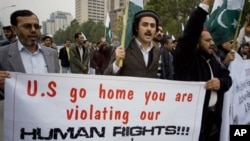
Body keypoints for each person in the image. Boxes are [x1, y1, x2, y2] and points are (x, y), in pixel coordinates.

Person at [173, 0, 232, 141]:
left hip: (213, 122)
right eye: (207, 40)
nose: (212, 43)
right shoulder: (186, 60)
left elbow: (227, 77)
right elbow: (188, 36)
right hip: (193, 122)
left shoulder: (214, 60)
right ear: (197, 43)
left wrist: (221, 83)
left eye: (212, 40)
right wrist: (204, 6)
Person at [0, 9, 60, 139]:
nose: (33, 30)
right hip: (18, 125)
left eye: (36, 26)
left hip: (48, 122)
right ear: (14, 29)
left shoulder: (52, 54)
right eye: (27, 26)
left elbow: (59, 87)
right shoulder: (2, 54)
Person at [104, 10, 161, 78]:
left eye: (152, 26)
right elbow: (106, 77)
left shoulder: (157, 51)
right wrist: (116, 64)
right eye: (145, 25)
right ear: (136, 28)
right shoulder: (124, 48)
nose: (149, 29)